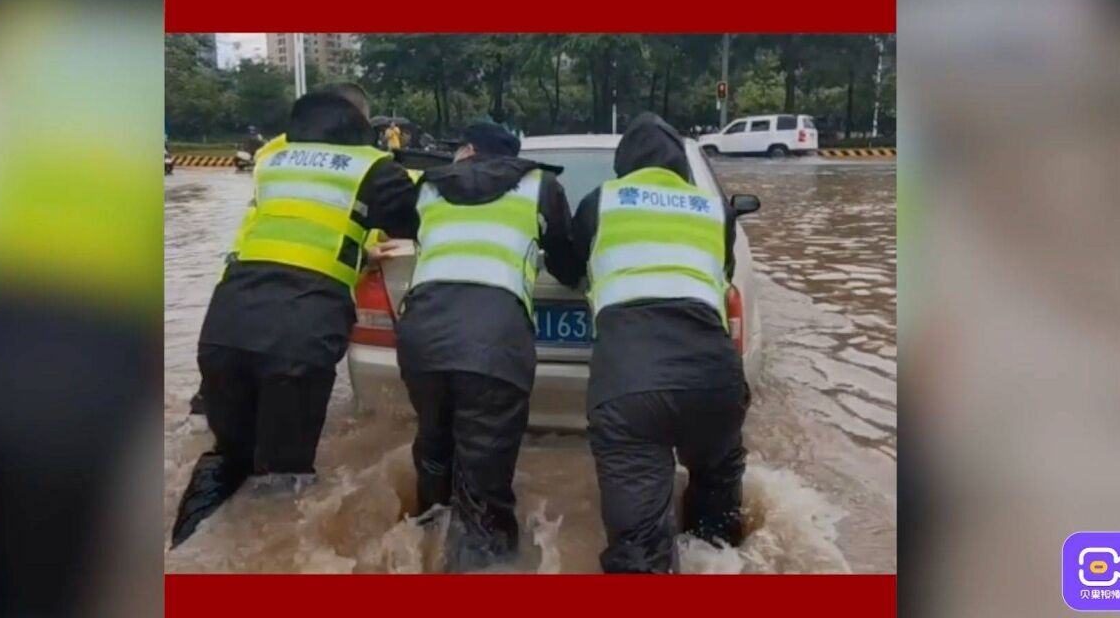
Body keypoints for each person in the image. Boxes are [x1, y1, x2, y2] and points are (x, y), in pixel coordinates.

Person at [170, 90, 420, 548]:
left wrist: (354, 248)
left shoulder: (272, 161)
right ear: (360, 123)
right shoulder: (375, 170)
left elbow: (300, 225)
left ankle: (183, 552)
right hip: (298, 338)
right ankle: (271, 564)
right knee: (283, 480)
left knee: (227, 456)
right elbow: (415, 225)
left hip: (224, 329)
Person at [394, 123, 581, 571]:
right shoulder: (541, 185)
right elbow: (566, 259)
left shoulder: (428, 186)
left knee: (435, 448)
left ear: (470, 151)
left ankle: (418, 550)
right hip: (494, 343)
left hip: (421, 338)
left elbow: (412, 235)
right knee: (484, 482)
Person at [572, 113, 749, 573]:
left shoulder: (600, 203)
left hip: (629, 386)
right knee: (718, 521)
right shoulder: (715, 209)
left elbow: (572, 265)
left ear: (622, 165)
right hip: (716, 380)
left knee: (639, 549)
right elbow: (722, 276)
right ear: (681, 166)